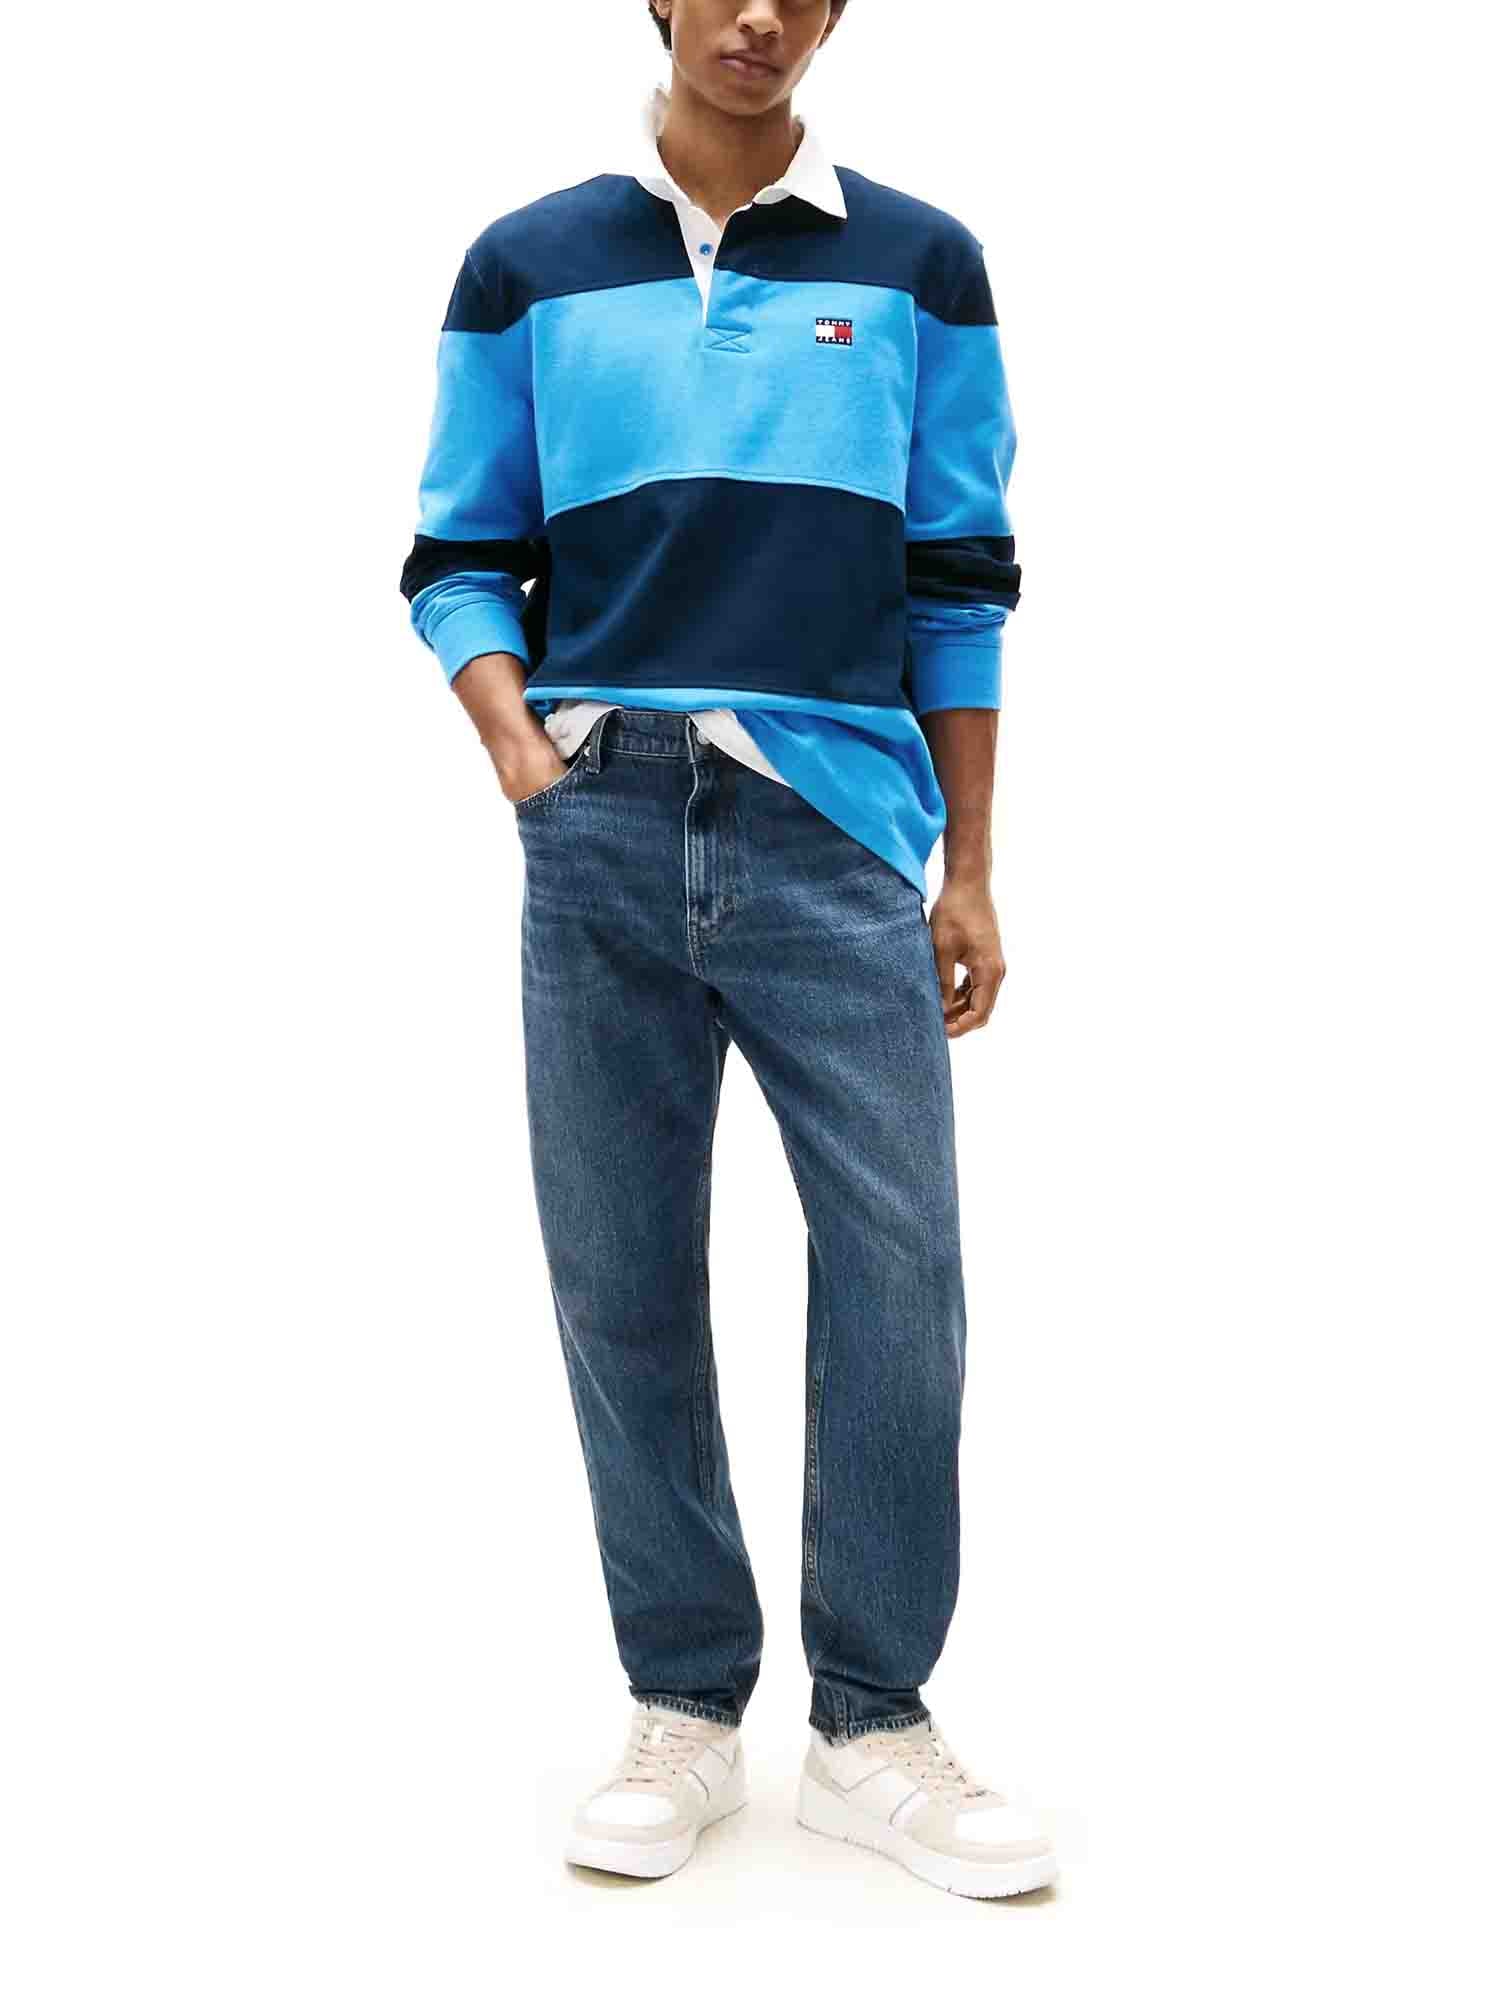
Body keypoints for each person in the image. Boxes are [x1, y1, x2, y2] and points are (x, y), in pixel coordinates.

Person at [399, 0, 1056, 1900]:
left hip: (837, 828)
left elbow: (960, 575)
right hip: (599, 820)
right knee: (619, 1275)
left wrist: (971, 868)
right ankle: (684, 1700)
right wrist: (526, 757)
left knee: (899, 1273)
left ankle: (871, 1721)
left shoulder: (921, 262)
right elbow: (456, 554)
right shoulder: (527, 262)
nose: (757, 13)